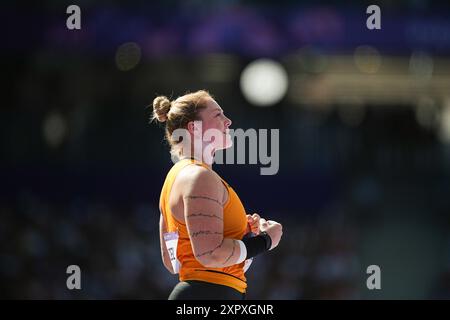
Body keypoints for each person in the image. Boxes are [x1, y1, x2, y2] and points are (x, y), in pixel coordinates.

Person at [152, 90, 283, 300]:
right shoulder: (199, 176)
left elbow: (173, 262)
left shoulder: (177, 177)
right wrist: (266, 240)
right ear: (194, 128)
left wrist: (247, 237)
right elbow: (210, 255)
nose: (228, 121)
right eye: (218, 115)